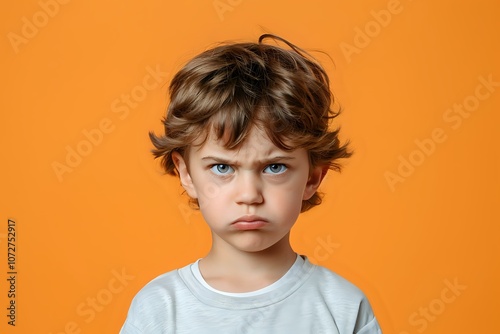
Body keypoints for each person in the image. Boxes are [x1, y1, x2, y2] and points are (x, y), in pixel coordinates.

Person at [120, 34, 382, 334]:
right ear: (186, 174)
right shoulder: (160, 309)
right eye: (222, 167)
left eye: (274, 167)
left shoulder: (343, 308)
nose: (249, 195)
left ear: (312, 177)